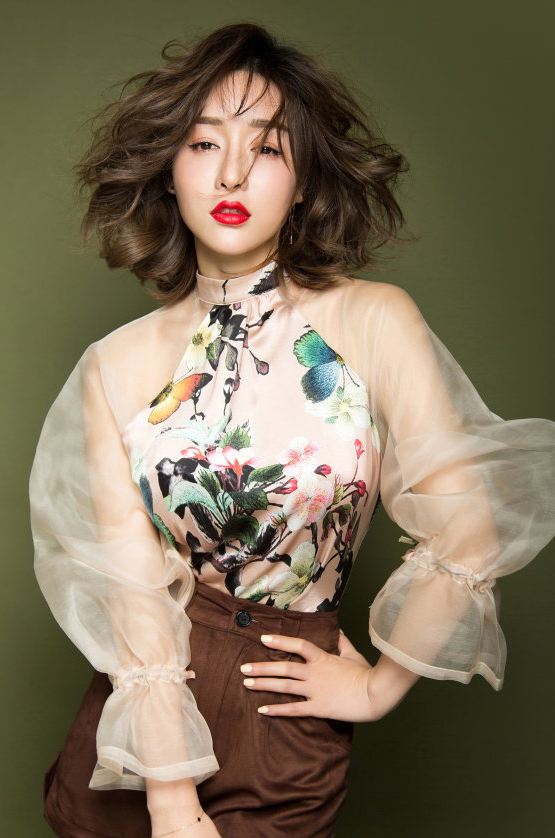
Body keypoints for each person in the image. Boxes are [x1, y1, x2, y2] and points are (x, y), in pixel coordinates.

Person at [29, 21, 555, 838]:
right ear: (169, 169)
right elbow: (129, 587)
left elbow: (470, 526)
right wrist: (170, 799)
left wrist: (377, 686)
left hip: (285, 724)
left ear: (305, 180)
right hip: (142, 735)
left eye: (268, 148)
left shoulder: (372, 320)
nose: (231, 172)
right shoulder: (117, 363)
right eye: (204, 143)